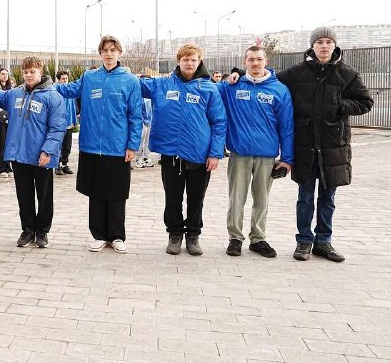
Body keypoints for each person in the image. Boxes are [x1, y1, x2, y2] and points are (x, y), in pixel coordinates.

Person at [230, 28, 373, 262]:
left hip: (333, 147)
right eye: (319, 42)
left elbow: (365, 102)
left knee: (328, 199)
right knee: (305, 197)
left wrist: (340, 105)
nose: (324, 46)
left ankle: (324, 242)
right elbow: (264, 78)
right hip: (305, 145)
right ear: (312, 46)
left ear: (334, 46)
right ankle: (304, 242)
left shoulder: (348, 74)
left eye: (328, 42)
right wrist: (237, 73)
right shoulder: (297, 73)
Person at [55, 36, 142, 254]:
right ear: (100, 53)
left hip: (117, 146)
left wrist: (132, 145)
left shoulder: (130, 81)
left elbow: (135, 116)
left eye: (113, 50)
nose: (109, 54)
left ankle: (117, 236)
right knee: (96, 192)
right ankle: (99, 235)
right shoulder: (89, 77)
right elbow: (67, 90)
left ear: (119, 52)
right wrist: (45, 84)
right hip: (91, 145)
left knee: (117, 192)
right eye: (105, 50)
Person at [140, 43, 227, 256]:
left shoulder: (209, 89)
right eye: (185, 59)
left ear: (199, 62)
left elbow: (219, 123)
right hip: (171, 153)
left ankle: (193, 235)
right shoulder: (162, 84)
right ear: (178, 61)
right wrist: (117, 68)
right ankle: (175, 234)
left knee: (196, 199)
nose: (189, 63)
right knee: (172, 198)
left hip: (199, 154)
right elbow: (134, 85)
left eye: (193, 59)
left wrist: (215, 153)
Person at [218, 46, 294, 258]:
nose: (255, 63)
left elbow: (287, 126)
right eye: (251, 59)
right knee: (236, 198)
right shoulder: (232, 86)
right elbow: (208, 89)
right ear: (244, 62)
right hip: (239, 153)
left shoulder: (279, 90)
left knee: (262, 199)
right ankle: (235, 238)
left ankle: (258, 239)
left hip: (266, 155)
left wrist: (287, 159)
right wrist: (231, 76)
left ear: (266, 61)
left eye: (259, 59)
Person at [0, 57, 66, 248]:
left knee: (44, 196)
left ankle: (42, 231)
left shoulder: (53, 97)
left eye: (32, 72)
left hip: (41, 157)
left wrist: (47, 151)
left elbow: (57, 127)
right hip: (19, 155)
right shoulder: (14, 94)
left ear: (40, 72)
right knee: (24, 196)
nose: (28, 75)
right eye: (25, 72)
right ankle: (27, 230)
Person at [0, 68, 15, 178]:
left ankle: (7, 166)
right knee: (0, 143)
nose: (5, 76)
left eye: (6, 74)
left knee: (8, 143)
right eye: (2, 74)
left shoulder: (10, 88)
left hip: (9, 118)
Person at [54, 70, 78, 176]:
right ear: (58, 80)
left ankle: (65, 164)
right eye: (63, 79)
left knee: (67, 146)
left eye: (66, 78)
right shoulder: (56, 91)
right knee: (59, 145)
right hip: (59, 123)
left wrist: (74, 120)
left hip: (69, 123)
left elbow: (72, 107)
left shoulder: (70, 91)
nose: (65, 80)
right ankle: (57, 165)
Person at [133, 94, 154, 168]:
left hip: (149, 120)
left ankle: (146, 156)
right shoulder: (139, 96)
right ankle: (138, 158)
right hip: (141, 121)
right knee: (140, 140)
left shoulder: (150, 96)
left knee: (147, 140)